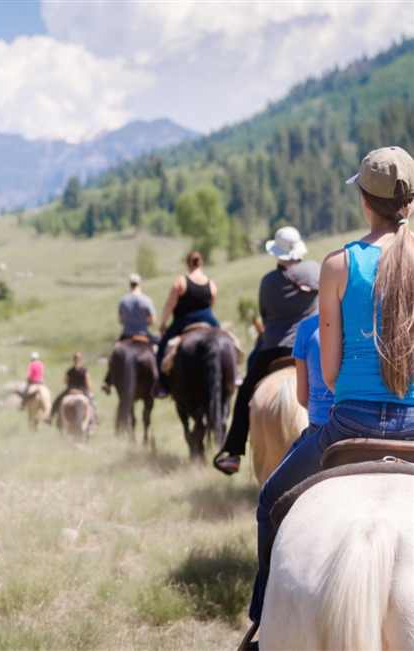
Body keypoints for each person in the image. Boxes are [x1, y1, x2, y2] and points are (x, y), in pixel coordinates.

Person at [241, 146, 414, 649]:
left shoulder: (338, 264)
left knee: (271, 498)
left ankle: (258, 625)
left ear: (364, 200)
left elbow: (332, 372)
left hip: (347, 424)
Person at [214, 226, 320, 474]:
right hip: (312, 348)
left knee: (246, 391)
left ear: (278, 253)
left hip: (274, 349)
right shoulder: (315, 270)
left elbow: (264, 315)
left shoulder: (268, 281)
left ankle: (234, 451)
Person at [154, 251, 220, 398]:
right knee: (226, 339)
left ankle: (163, 385)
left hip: (185, 320)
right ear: (201, 263)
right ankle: (234, 373)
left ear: (187, 263)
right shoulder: (211, 283)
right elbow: (211, 306)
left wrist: (163, 323)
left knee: (161, 348)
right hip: (207, 319)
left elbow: (170, 305)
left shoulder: (181, 281)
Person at [102, 273, 156, 395]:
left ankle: (108, 381)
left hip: (126, 335)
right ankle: (160, 382)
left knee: (113, 355)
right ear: (140, 284)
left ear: (130, 285)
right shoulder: (146, 300)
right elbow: (153, 321)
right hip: (143, 335)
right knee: (158, 351)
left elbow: (120, 320)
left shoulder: (123, 300)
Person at [293, 314, 334, 439]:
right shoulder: (364, 323)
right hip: (362, 423)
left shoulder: (306, 327)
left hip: (320, 426)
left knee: (288, 459)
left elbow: (302, 397)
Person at [49, 352, 97, 425]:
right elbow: (88, 384)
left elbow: (65, 381)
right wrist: (89, 391)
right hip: (82, 391)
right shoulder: (84, 371)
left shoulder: (70, 371)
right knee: (92, 404)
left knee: (57, 399)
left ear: (74, 359)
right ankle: (93, 421)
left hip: (71, 390)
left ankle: (51, 416)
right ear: (81, 359)